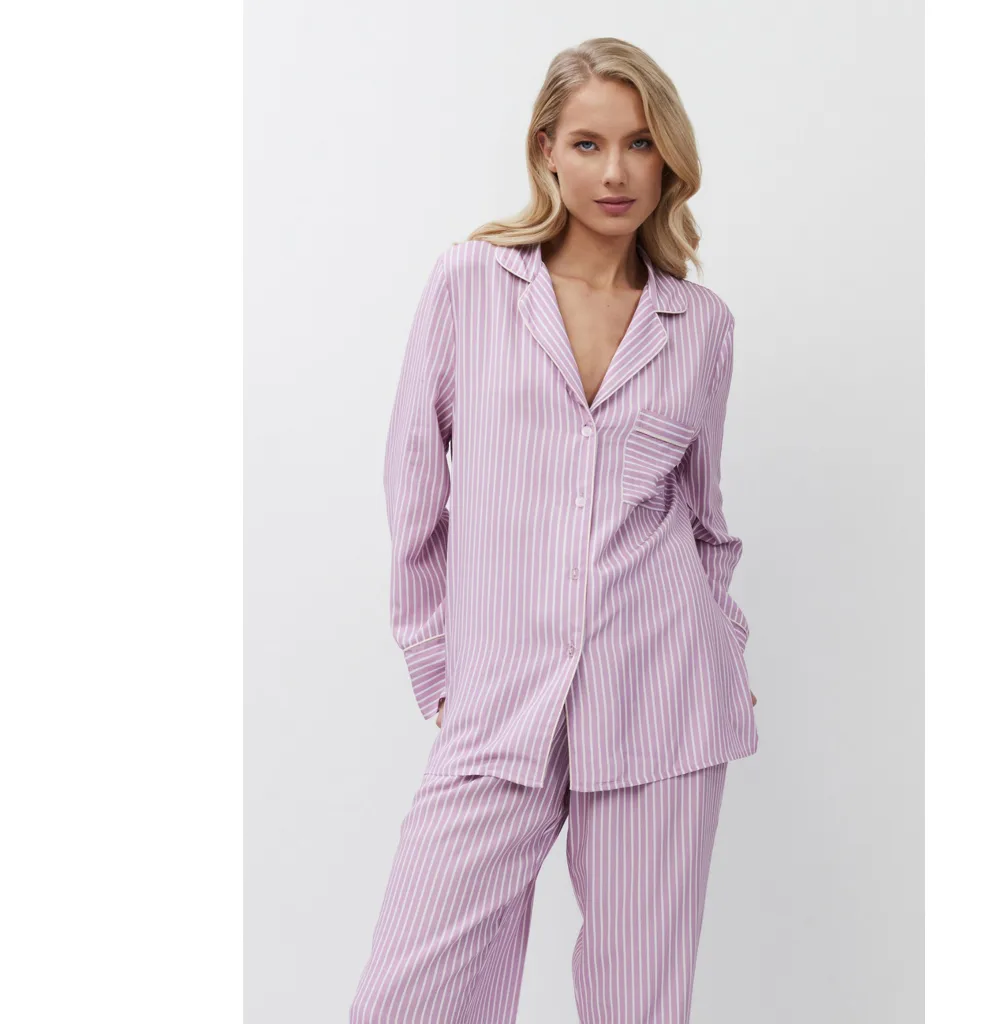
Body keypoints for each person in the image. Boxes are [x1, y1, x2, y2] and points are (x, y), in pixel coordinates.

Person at [350, 37, 758, 1024]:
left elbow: (705, 520)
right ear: (546, 151)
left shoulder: (699, 325)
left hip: (662, 694)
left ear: (668, 159)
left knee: (637, 1005)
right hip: (500, 697)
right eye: (588, 143)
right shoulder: (472, 285)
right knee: (403, 998)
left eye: (640, 144)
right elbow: (414, 479)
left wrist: (724, 649)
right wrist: (437, 664)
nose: (615, 171)